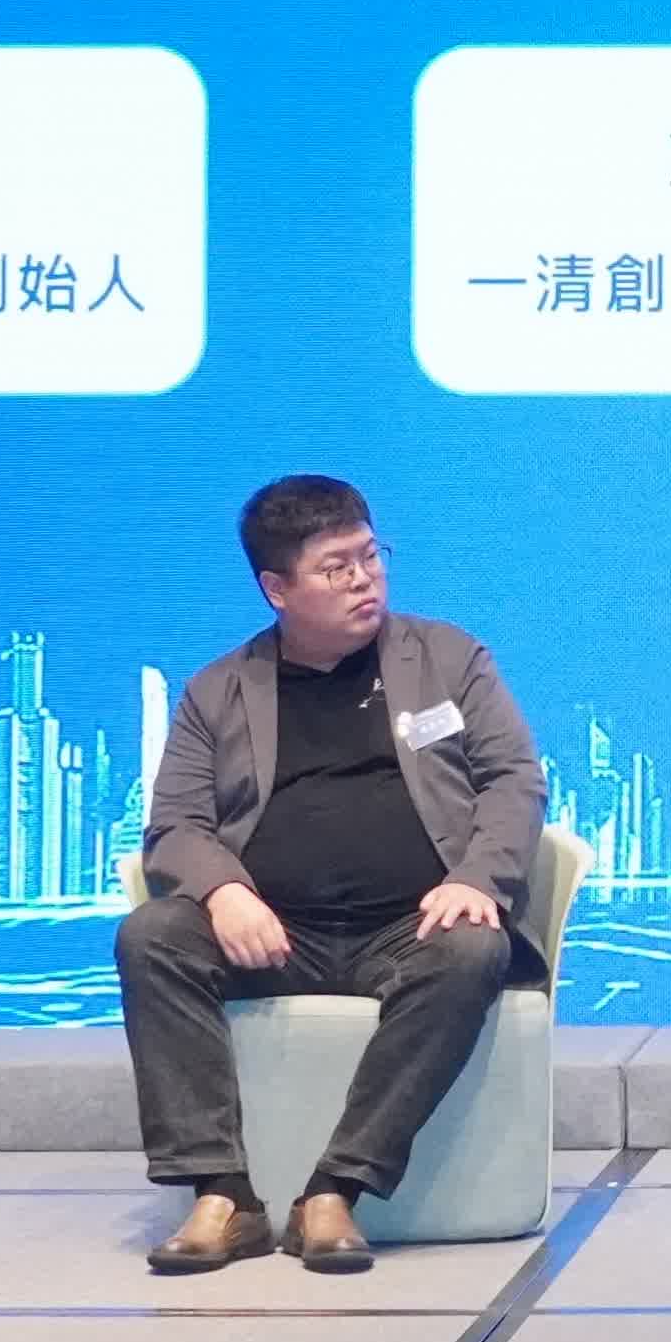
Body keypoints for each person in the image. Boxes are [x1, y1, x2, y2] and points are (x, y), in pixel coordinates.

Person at [117, 477, 545, 1275]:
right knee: (152, 936)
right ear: (277, 589)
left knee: (472, 947)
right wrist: (226, 893)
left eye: (370, 556)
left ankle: (336, 1188)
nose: (364, 579)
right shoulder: (219, 690)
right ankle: (223, 1194)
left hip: (412, 928)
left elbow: (513, 779)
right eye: (335, 567)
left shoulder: (448, 659)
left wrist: (476, 879)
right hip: (275, 937)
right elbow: (174, 823)